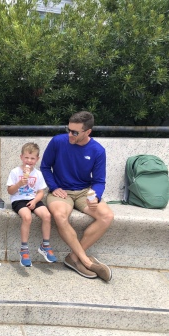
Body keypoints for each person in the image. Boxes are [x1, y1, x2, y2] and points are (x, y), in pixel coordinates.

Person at [41, 111, 114, 282]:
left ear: (87, 132)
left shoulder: (97, 150)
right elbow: (45, 167)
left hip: (83, 191)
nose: (70, 135)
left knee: (107, 216)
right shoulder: (58, 141)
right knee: (59, 216)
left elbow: (99, 181)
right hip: (60, 192)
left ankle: (74, 257)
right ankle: (87, 262)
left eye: (75, 132)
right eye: (69, 129)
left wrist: (95, 197)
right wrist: (54, 186)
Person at [7, 142, 56, 267]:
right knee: (27, 217)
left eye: (32, 158)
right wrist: (19, 184)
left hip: (33, 199)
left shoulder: (38, 174)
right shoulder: (15, 172)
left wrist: (35, 201)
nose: (29, 161)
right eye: (26, 158)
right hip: (18, 199)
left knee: (47, 216)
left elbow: (41, 192)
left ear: (37, 159)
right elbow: (10, 191)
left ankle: (45, 245)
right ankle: (24, 249)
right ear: (21, 157)